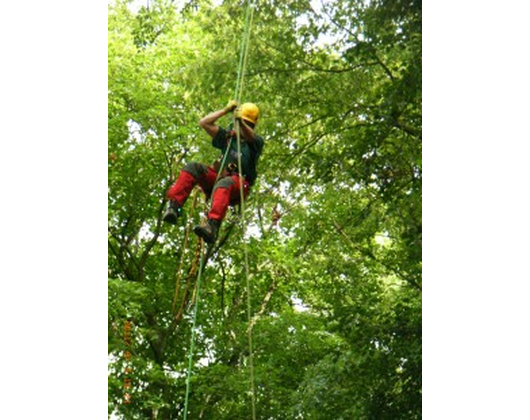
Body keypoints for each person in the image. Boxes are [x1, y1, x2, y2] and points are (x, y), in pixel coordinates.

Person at [163, 100, 264, 244]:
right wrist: (225, 110)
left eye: (249, 124)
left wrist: (241, 121)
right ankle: (174, 207)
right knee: (193, 168)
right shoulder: (229, 138)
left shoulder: (256, 143)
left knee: (225, 183)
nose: (245, 127)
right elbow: (204, 123)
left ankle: (212, 226)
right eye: (244, 123)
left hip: (238, 184)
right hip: (218, 180)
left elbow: (250, 137)